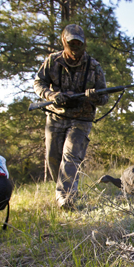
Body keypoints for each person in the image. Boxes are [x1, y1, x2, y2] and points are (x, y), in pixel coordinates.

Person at [34, 24, 109, 209]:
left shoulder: (94, 67)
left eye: (78, 43)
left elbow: (104, 98)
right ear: (64, 42)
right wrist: (51, 96)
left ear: (84, 44)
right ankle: (62, 190)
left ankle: (66, 198)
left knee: (71, 157)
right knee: (53, 158)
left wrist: (95, 96)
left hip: (81, 120)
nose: (75, 47)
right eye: (71, 43)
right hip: (55, 116)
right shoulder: (52, 61)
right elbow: (39, 83)